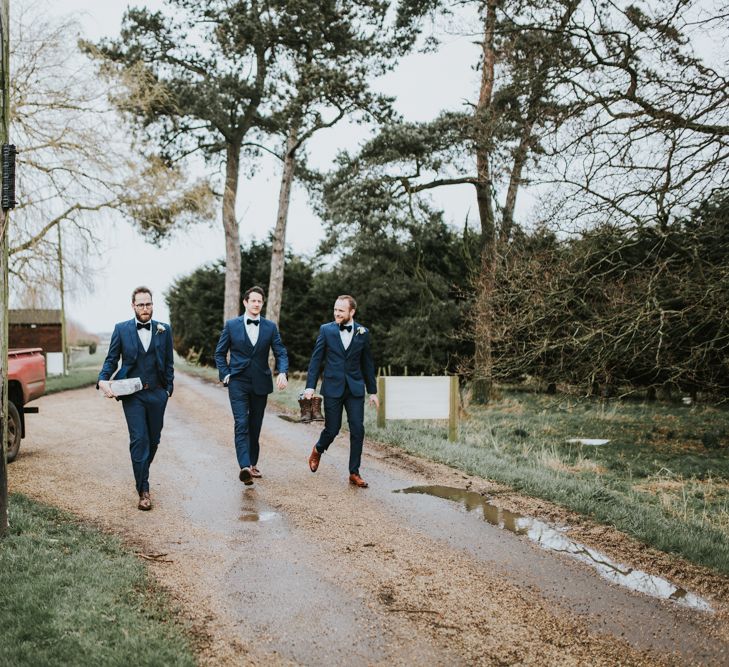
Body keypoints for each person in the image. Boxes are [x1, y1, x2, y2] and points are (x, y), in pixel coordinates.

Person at [98, 286, 174, 511]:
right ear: (133, 306)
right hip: (132, 395)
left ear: (153, 304)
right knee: (139, 439)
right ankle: (143, 490)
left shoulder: (164, 329)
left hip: (157, 394)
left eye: (148, 304)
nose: (145, 308)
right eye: (140, 304)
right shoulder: (121, 330)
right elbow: (112, 359)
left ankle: (142, 473)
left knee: (153, 441)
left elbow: (169, 362)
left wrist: (168, 389)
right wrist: (103, 379)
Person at [215, 286, 288, 484]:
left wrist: (282, 371)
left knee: (255, 425)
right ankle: (244, 466)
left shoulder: (270, 327)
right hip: (237, 381)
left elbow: (280, 351)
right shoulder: (231, 325)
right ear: (245, 302)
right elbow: (220, 353)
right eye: (253, 300)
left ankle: (253, 464)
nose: (256, 304)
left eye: (259, 301)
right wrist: (226, 374)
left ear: (262, 304)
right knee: (241, 423)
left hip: (260, 382)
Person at [304, 295, 379, 488]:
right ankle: (318, 449)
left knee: (357, 429)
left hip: (355, 388)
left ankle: (354, 472)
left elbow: (367, 363)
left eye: (341, 311)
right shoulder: (326, 330)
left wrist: (373, 392)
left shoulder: (363, 332)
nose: (337, 313)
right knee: (333, 429)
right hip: (332, 388)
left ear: (351, 312)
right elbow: (316, 360)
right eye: (335, 310)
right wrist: (310, 387)